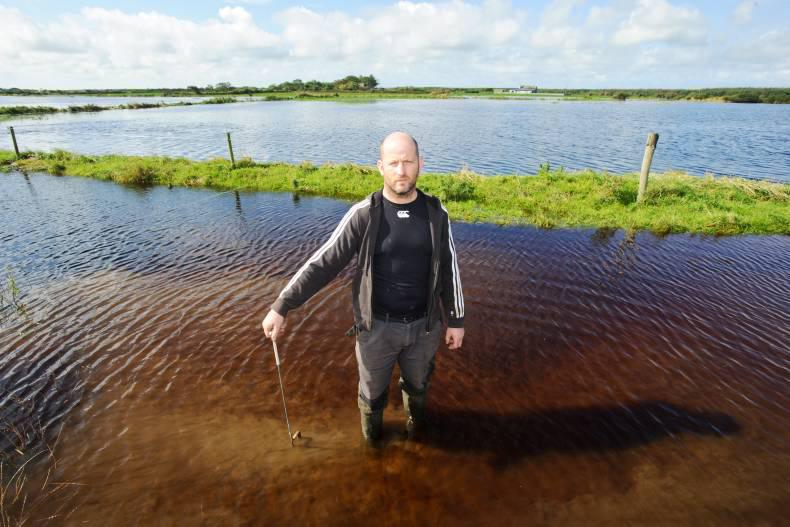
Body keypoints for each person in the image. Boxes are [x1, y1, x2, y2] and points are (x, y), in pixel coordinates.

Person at [261, 131, 465, 444]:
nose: (401, 170)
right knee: (371, 396)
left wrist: (457, 320)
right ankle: (372, 444)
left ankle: (417, 433)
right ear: (380, 166)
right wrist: (282, 305)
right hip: (375, 329)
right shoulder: (364, 215)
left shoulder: (437, 214)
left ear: (420, 164)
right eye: (394, 163)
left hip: (425, 328)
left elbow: (450, 270)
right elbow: (323, 262)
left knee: (419, 386)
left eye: (408, 162)